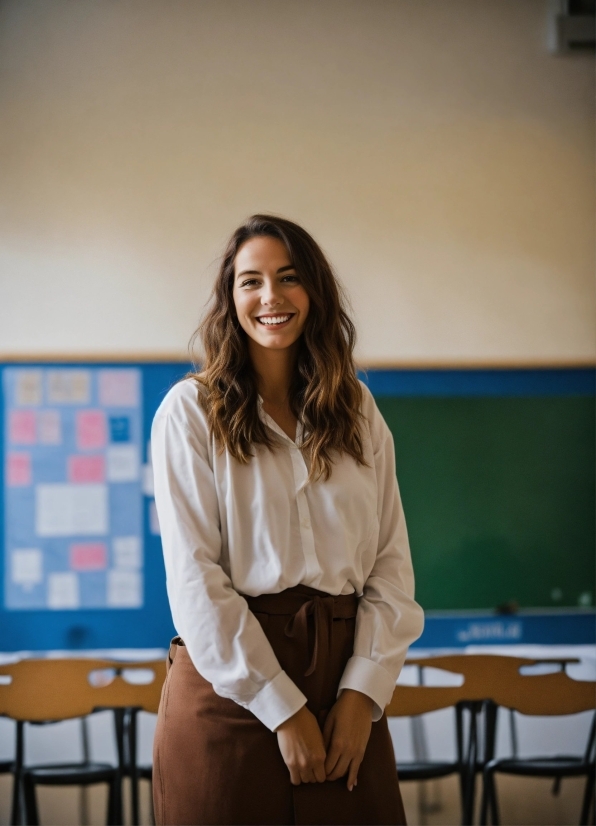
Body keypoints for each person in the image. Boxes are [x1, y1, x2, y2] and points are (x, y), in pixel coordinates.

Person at [151, 214, 424, 826]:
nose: (270, 297)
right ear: (231, 298)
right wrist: (282, 708)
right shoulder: (189, 412)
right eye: (251, 281)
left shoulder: (356, 410)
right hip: (231, 693)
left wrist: (360, 695)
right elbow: (195, 582)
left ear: (315, 293)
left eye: (289, 277)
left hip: (345, 683)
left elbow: (390, 565)